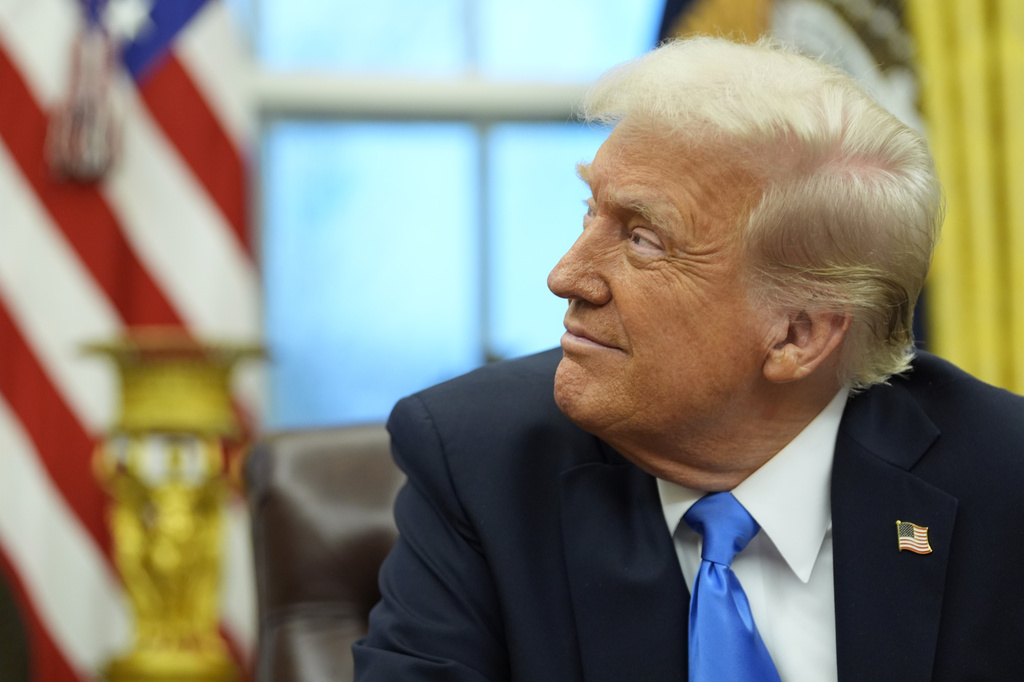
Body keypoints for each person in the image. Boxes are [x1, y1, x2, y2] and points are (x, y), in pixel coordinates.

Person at [353, 36, 1024, 681]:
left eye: (643, 239)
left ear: (797, 335)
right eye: (590, 211)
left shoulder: (1003, 481)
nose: (565, 276)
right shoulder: (482, 464)